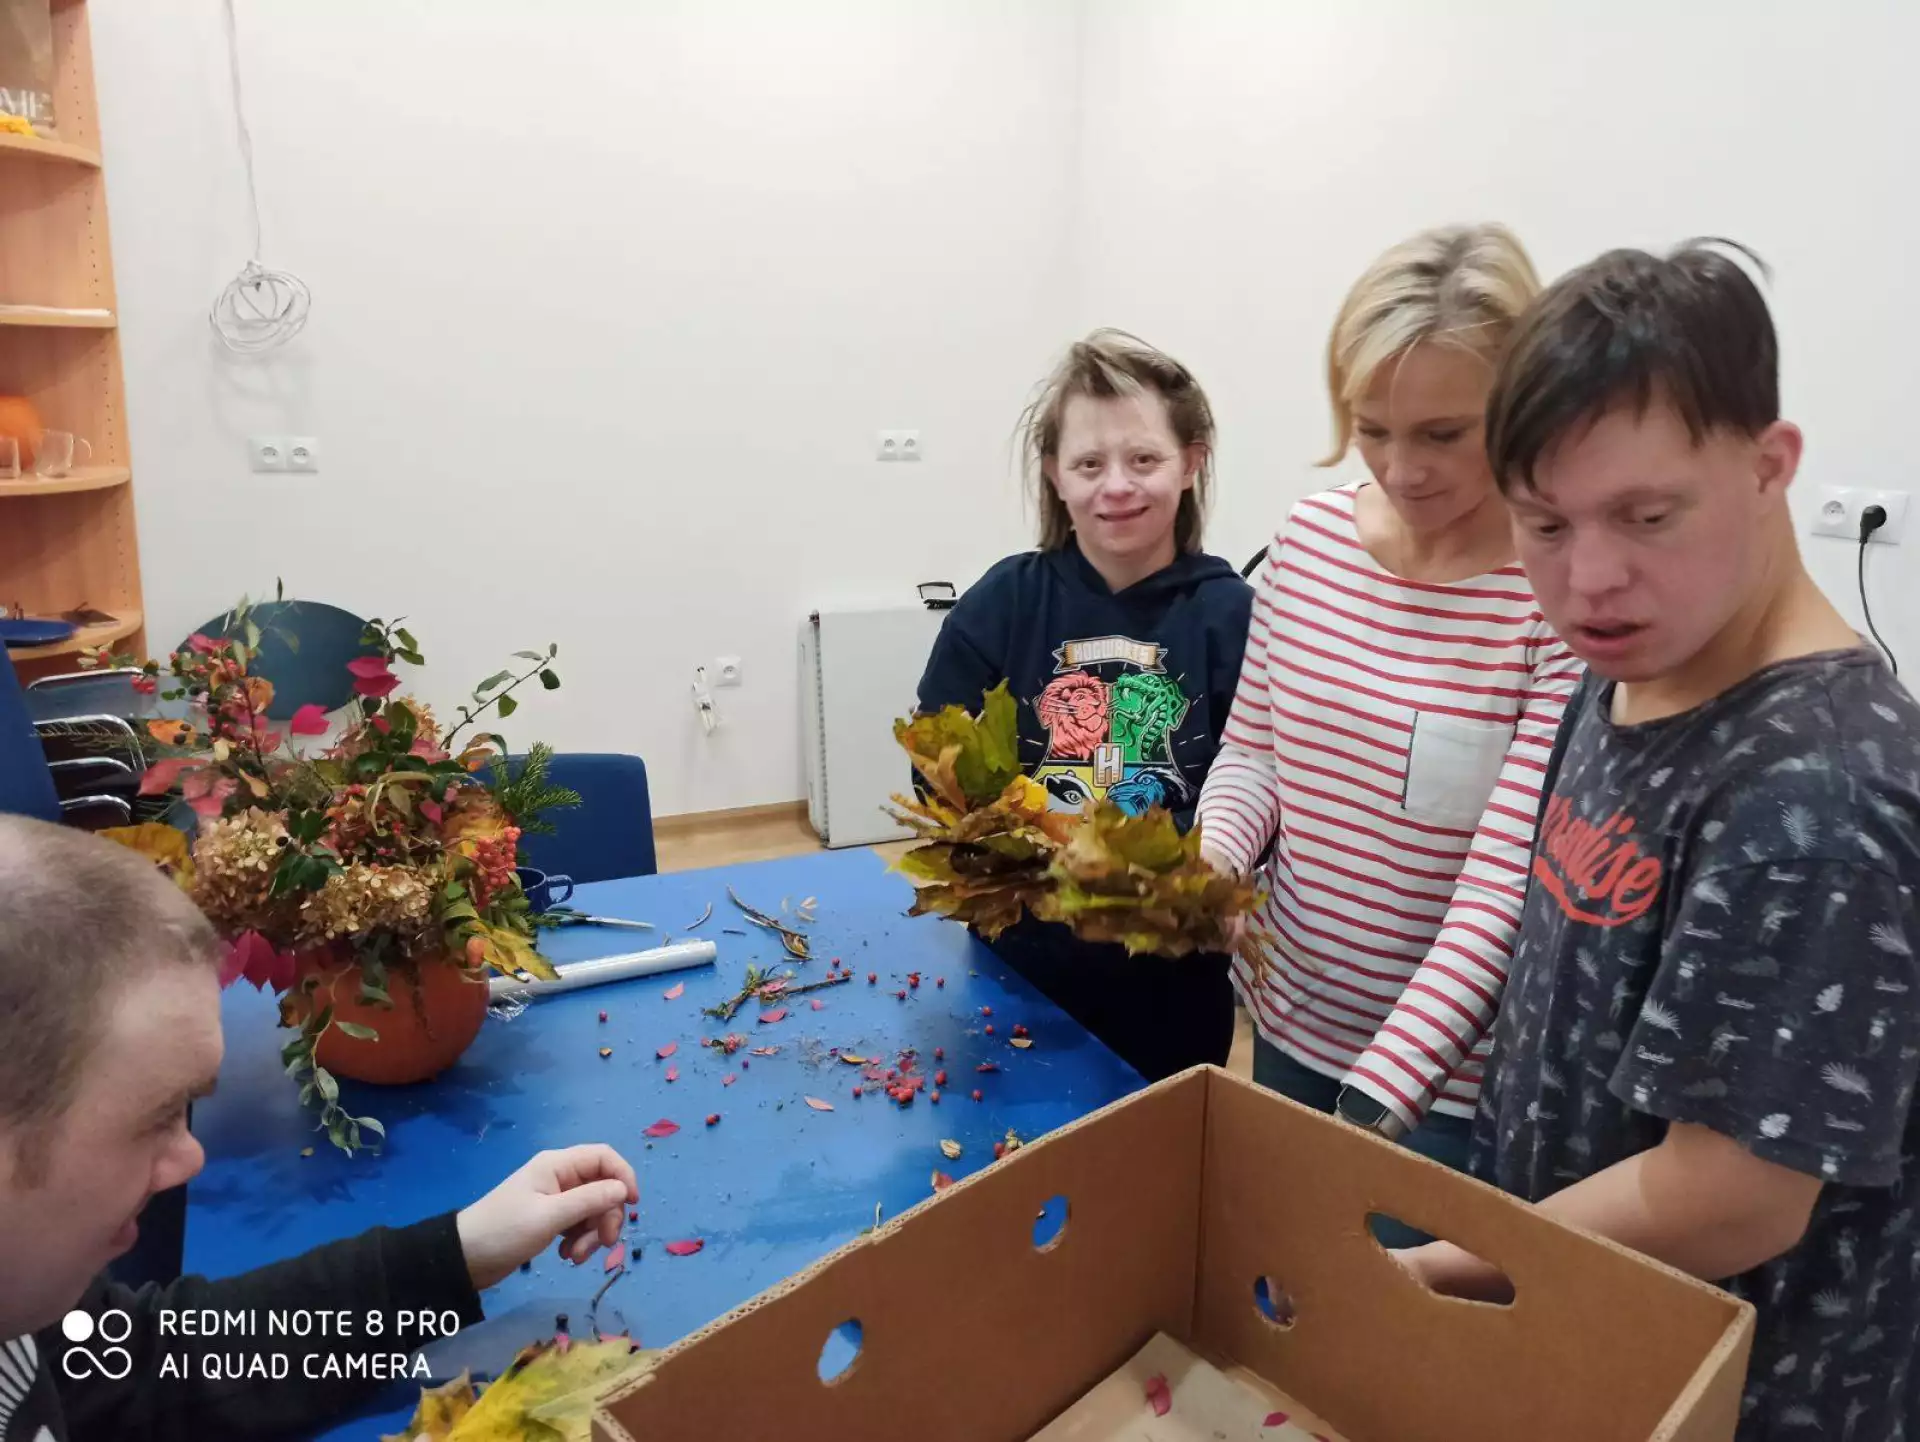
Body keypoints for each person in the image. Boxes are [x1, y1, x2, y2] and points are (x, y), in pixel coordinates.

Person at [1398, 242, 1920, 1440]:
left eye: (1647, 516)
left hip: (1738, 1388)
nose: (1590, 580)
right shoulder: (1632, 664)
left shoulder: (1821, 796)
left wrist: (1444, 1262)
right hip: (1575, 1313)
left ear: (1769, 465)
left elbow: (1732, 1196)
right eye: (1544, 524)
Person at [0, 814, 639, 1442]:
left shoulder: (33, 1319)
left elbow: (149, 1363)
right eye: (156, 1117)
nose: (188, 1158)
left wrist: (459, 1254)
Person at [1196, 225, 1582, 1194]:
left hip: (1447, 1081)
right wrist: (1210, 866)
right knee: (1276, 1268)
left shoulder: (1559, 596)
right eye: (1372, 429)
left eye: (1443, 434)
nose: (1401, 470)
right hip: (1288, 1015)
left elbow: (1508, 883)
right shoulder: (1311, 541)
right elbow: (1255, 756)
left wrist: (1374, 1102)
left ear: (1523, 402)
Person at [916, 329, 1253, 1081]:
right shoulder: (1003, 603)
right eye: (1089, 463)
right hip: (1019, 974)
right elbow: (937, 769)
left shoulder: (1234, 617)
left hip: (1171, 988)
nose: (1117, 486)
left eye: (1144, 459)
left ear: (1191, 462)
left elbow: (1254, 785)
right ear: (1054, 474)